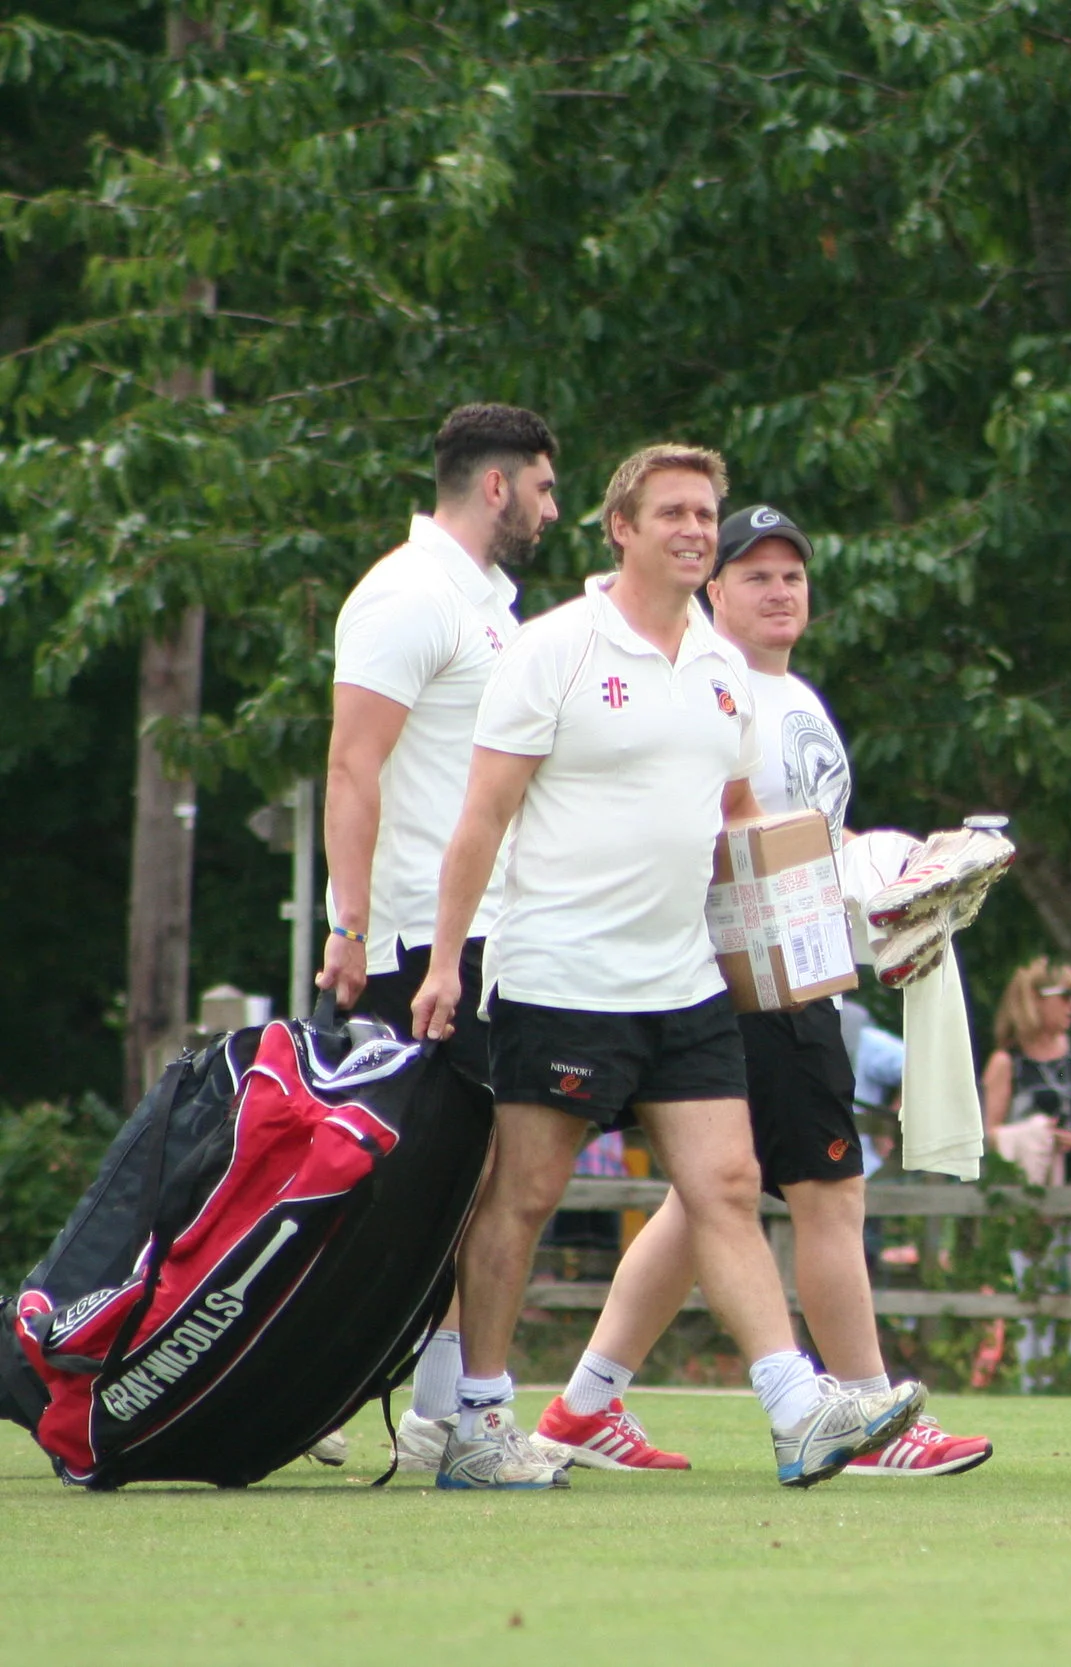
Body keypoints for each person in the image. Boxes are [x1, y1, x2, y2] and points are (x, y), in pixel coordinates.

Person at [411, 445, 922, 1490]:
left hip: (686, 979)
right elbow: (481, 819)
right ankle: (478, 1418)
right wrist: (448, 962)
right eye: (676, 512)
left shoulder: (726, 667)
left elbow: (739, 825)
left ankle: (795, 1408)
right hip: (561, 973)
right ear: (622, 527)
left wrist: (851, 886)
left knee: (728, 1186)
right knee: (525, 1194)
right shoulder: (553, 650)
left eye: (706, 512)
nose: (696, 528)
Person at [537, 504, 989, 1478]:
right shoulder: (716, 687)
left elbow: (809, 847)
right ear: (714, 590)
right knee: (829, 1190)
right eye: (756, 575)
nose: (780, 590)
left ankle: (582, 1407)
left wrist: (893, 899)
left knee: (703, 1202)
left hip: (791, 972)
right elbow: (722, 849)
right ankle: (872, 1415)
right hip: (751, 981)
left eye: (792, 574)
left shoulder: (794, 697)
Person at [319, 402, 559, 1472]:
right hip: (418, 942)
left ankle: (437, 1415)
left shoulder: (492, 609)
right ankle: (325, 1387)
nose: (554, 509)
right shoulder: (410, 594)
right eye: (546, 488)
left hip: (487, 937)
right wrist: (349, 925)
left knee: (478, 1182)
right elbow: (351, 764)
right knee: (415, 1188)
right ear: (497, 485)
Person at [982, 959, 1071, 1185]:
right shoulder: (1006, 1063)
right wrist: (1038, 1136)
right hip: (1033, 1192)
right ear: (1035, 999)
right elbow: (987, 1136)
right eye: (1065, 995)